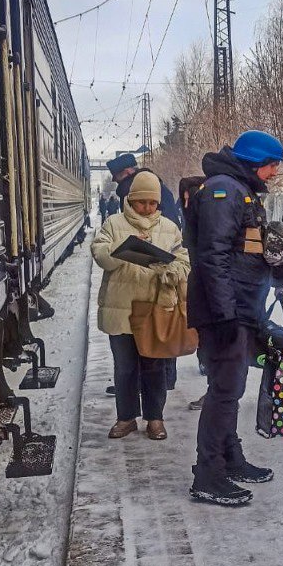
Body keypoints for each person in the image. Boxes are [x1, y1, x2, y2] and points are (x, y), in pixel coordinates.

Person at [185, 129, 283, 506]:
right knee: (225, 392)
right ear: (256, 161)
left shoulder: (235, 189)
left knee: (230, 388)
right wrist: (226, 314)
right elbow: (214, 256)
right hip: (224, 310)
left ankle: (230, 458)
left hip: (235, 306)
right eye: (272, 165)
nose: (274, 173)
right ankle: (208, 475)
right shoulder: (224, 191)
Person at [91, 171, 190, 441]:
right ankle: (126, 418)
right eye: (141, 202)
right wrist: (124, 250)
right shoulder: (113, 224)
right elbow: (100, 255)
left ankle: (155, 418)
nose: (147, 208)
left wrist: (172, 270)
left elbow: (183, 261)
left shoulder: (169, 228)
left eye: (152, 203)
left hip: (155, 309)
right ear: (130, 200)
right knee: (124, 368)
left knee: (154, 367)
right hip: (122, 308)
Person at [178, 175, 209, 411]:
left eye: (192, 200)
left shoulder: (208, 224)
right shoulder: (192, 222)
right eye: (184, 200)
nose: (187, 205)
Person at [107, 152, 182, 227]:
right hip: (168, 232)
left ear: (128, 171)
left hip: (150, 235)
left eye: (117, 176)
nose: (116, 180)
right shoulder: (157, 183)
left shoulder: (130, 188)